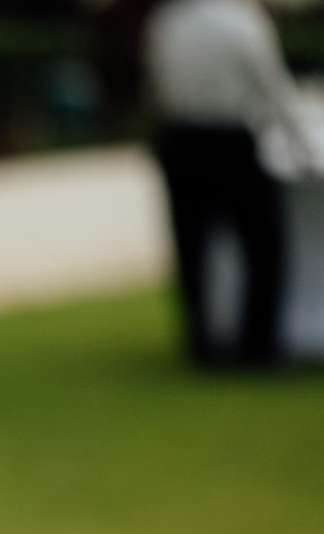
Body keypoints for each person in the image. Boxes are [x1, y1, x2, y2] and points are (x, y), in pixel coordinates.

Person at [144, 0, 301, 364]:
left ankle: (202, 343)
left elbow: (156, 83)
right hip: (231, 139)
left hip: (181, 139)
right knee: (263, 246)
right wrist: (298, 139)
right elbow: (271, 84)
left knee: (192, 247)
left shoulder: (168, 22)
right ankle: (258, 345)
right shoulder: (244, 23)